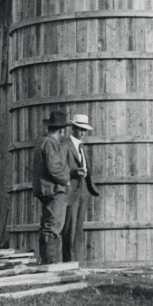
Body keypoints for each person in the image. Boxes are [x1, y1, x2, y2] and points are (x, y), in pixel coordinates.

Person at [32, 110, 72, 265]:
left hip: (47, 189)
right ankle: (50, 262)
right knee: (53, 226)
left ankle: (47, 260)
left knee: (48, 224)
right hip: (54, 190)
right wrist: (66, 181)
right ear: (61, 130)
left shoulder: (43, 142)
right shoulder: (50, 143)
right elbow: (54, 168)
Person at [61, 113, 100, 264]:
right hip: (71, 192)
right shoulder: (65, 145)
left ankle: (75, 262)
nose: (82, 133)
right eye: (80, 129)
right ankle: (68, 263)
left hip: (83, 191)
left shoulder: (81, 147)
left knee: (78, 230)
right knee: (69, 230)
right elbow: (60, 168)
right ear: (73, 128)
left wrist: (89, 189)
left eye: (85, 130)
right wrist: (73, 172)